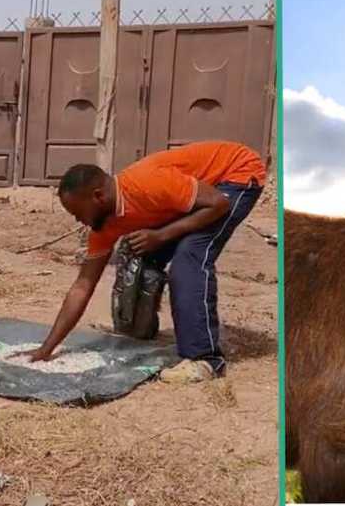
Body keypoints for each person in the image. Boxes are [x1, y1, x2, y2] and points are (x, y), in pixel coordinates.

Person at [24, 140, 265, 383]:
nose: (78, 220)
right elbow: (82, 286)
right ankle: (138, 330)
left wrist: (161, 235)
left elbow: (218, 204)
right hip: (198, 194)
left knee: (188, 258)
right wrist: (47, 348)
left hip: (236, 174)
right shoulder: (104, 226)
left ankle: (205, 360)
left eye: (77, 213)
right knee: (139, 254)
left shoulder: (146, 184)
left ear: (97, 197)